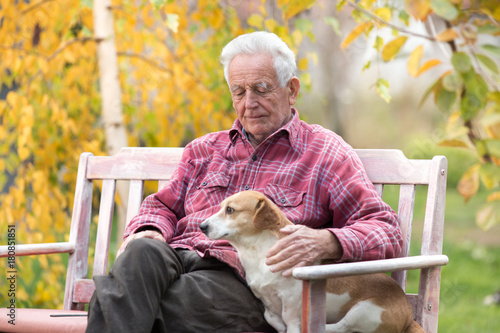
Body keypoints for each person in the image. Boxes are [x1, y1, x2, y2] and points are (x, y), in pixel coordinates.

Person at [86, 31, 402, 333]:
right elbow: (163, 206)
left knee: (124, 299)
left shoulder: (325, 153)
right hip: (177, 256)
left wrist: (328, 241)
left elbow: (385, 230)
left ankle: (117, 300)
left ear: (291, 90)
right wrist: (150, 229)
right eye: (239, 91)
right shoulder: (203, 149)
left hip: (243, 279)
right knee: (140, 253)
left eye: (261, 88)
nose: (249, 102)